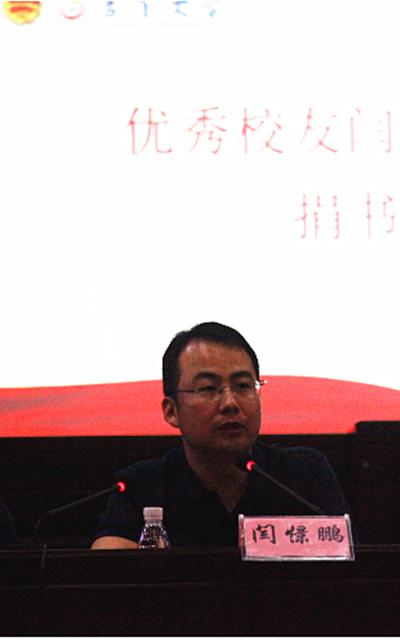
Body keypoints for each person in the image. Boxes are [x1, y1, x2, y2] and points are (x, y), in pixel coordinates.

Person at [91, 322, 350, 549]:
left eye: (243, 386)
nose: (230, 403)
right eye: (207, 388)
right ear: (171, 411)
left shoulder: (302, 476)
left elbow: (345, 569)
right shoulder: (141, 487)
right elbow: (106, 570)